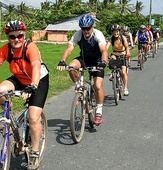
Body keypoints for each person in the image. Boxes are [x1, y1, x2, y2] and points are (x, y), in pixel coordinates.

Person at [0, 20, 49, 170]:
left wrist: (33, 86)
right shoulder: (6, 49)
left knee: (33, 118)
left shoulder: (30, 47)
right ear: (8, 38)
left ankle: (34, 151)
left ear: (24, 36)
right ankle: (9, 114)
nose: (16, 40)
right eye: (12, 37)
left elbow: (35, 66)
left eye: (19, 36)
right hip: (19, 79)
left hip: (38, 80)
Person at [57, 14, 108, 125]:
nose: (86, 31)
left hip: (97, 61)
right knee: (71, 67)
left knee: (98, 85)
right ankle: (78, 85)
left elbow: (103, 50)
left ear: (92, 26)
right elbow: (69, 48)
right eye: (83, 29)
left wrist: (103, 62)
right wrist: (62, 60)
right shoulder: (78, 34)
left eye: (88, 28)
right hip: (84, 59)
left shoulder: (97, 34)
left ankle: (99, 110)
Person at [106, 24, 130, 96]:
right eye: (114, 31)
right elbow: (106, 48)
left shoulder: (123, 38)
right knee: (112, 61)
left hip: (122, 55)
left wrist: (128, 53)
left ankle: (125, 88)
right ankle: (113, 73)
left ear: (119, 31)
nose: (116, 33)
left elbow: (127, 47)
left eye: (117, 31)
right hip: (114, 54)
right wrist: (105, 55)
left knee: (123, 72)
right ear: (112, 32)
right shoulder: (111, 39)